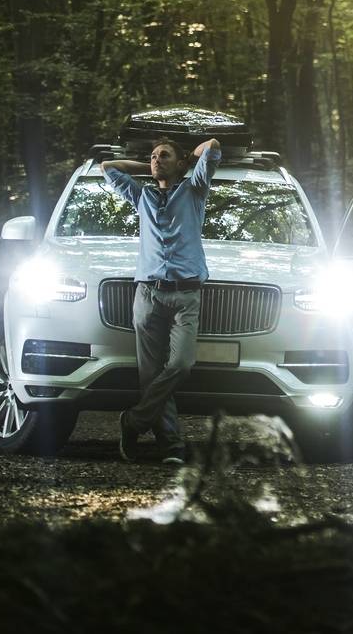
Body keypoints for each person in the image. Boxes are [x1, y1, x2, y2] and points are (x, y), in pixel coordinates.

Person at [100, 135, 221, 463]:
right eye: (153, 156)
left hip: (186, 295)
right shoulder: (142, 195)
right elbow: (107, 166)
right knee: (151, 375)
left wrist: (186, 161)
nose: (156, 160)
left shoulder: (195, 190)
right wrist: (149, 167)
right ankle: (172, 446)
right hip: (148, 295)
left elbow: (211, 146)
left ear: (182, 163)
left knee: (181, 365)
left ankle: (134, 421)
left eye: (163, 155)